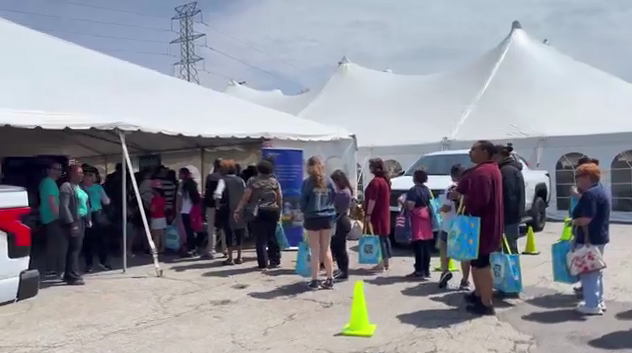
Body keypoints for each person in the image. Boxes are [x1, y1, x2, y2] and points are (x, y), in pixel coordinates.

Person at [448, 140, 503, 316]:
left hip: (481, 226)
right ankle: (479, 294)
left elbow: (479, 201)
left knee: (481, 264)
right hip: (483, 225)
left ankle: (486, 303)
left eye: (474, 149)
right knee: (476, 262)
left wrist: (459, 196)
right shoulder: (490, 169)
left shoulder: (483, 173)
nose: (470, 153)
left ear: (484, 151)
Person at [571, 163, 610, 315]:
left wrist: (574, 221)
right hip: (599, 236)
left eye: (578, 177)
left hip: (589, 239)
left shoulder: (589, 195)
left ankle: (591, 304)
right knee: (596, 271)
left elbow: (586, 219)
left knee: (588, 272)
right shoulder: (601, 191)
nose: (577, 181)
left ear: (587, 177)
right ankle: (598, 300)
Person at [234, 159, 282, 269]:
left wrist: (238, 209)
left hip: (258, 211)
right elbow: (280, 198)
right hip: (272, 210)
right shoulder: (274, 182)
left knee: (260, 238)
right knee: (272, 236)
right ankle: (275, 260)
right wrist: (279, 210)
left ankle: (263, 262)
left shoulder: (253, 181)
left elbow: (246, 197)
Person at [299, 157, 336, 289]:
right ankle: (330, 278)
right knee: (326, 248)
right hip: (327, 217)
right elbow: (334, 197)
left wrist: (305, 211)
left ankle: (315, 280)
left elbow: (303, 202)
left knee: (314, 250)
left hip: (312, 217)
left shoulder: (307, 183)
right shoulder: (329, 181)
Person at [438, 164, 469, 289]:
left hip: (448, 225)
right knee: (465, 255)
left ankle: (445, 271)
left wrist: (439, 209)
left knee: (445, 250)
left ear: (453, 176)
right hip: (464, 224)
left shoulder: (451, 188)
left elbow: (447, 207)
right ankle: (465, 280)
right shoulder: (469, 188)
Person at [59, 165, 89, 285]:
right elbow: (64, 206)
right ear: (71, 173)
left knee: (76, 248)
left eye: (82, 173)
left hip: (81, 219)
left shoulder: (79, 187)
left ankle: (69, 273)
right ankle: (73, 275)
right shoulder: (66, 186)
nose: (82, 175)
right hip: (73, 221)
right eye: (79, 173)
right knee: (74, 249)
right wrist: (72, 223)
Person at [402, 169, 434, 278]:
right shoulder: (427, 190)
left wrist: (402, 202)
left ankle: (419, 270)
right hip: (427, 217)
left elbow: (411, 205)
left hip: (417, 218)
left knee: (418, 245)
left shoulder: (413, 190)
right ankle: (426, 269)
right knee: (426, 245)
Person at [494, 143, 525, 255]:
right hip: (512, 216)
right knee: (510, 248)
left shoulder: (507, 171)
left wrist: (502, 216)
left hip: (509, 217)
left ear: (499, 155)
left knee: (509, 250)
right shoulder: (510, 169)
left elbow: (509, 195)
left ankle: (512, 272)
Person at [363, 158, 392, 272]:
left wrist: (368, 214)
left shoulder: (376, 182)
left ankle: (381, 264)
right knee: (384, 238)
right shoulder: (385, 181)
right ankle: (386, 263)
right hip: (384, 212)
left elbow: (372, 199)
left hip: (377, 213)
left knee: (379, 238)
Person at [82, 167, 111, 272]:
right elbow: (106, 201)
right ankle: (102, 262)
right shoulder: (97, 188)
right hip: (93, 214)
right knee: (99, 240)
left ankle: (90, 264)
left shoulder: (81, 188)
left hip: (90, 215)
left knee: (89, 241)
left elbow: (106, 201)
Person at [218, 160, 246, 265]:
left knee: (229, 232)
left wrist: (218, 204)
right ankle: (239, 257)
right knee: (239, 232)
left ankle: (230, 258)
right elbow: (245, 194)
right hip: (239, 209)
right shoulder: (241, 180)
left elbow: (217, 194)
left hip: (227, 209)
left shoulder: (223, 181)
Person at [40, 161, 63, 279]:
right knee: (57, 244)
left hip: (48, 217)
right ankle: (52, 269)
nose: (58, 171)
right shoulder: (49, 183)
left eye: (59, 169)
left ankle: (51, 268)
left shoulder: (47, 182)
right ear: (49, 170)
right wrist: (59, 215)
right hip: (53, 217)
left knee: (53, 244)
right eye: (55, 168)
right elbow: (52, 201)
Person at [330, 170, 353, 281]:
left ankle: (344, 271)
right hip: (341, 220)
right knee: (337, 246)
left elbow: (335, 206)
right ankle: (341, 269)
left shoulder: (343, 193)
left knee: (340, 247)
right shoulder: (345, 191)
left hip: (341, 221)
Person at [177, 167, 201, 257]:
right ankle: (194, 247)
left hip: (185, 210)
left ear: (183, 174)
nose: (178, 175)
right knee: (193, 229)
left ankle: (191, 248)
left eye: (180, 173)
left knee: (188, 230)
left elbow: (180, 198)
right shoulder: (193, 184)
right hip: (193, 210)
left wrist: (178, 207)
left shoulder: (182, 185)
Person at [203, 159, 223, 259]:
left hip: (211, 205)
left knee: (211, 229)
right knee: (223, 229)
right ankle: (225, 250)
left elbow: (207, 191)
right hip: (223, 205)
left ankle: (211, 250)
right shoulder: (224, 177)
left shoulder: (210, 177)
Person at [150, 182, 167, 254]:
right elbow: (165, 208)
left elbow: (152, 209)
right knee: (161, 234)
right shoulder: (163, 199)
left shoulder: (154, 199)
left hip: (155, 218)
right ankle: (162, 248)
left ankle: (155, 249)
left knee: (155, 234)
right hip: (162, 217)